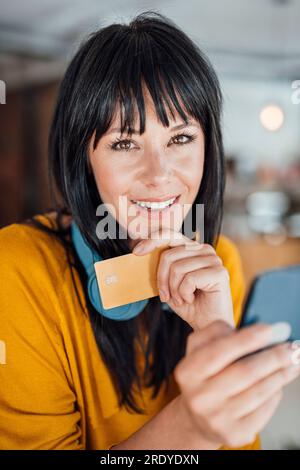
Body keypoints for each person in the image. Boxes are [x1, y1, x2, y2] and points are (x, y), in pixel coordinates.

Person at [0, 11, 299, 450]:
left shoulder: (219, 262)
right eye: (124, 143)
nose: (159, 176)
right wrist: (192, 428)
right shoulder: (16, 272)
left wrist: (217, 342)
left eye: (180, 139)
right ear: (84, 159)